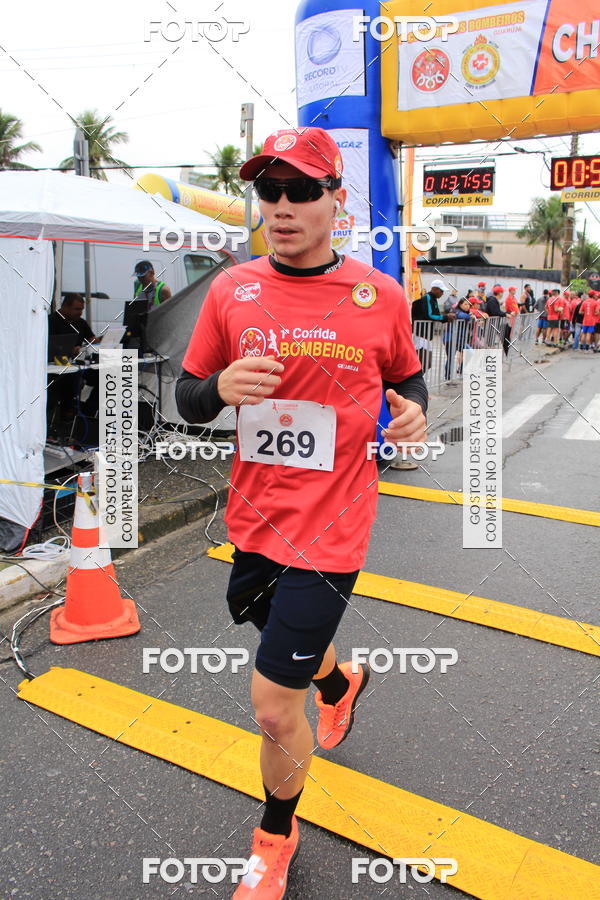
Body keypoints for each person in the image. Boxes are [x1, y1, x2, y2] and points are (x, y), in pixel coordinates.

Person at [175, 126, 428, 899]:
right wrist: (219, 391)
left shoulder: (377, 295)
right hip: (256, 520)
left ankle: (274, 838)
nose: (282, 207)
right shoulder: (232, 290)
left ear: (334, 201)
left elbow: (410, 383)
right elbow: (187, 401)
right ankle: (340, 685)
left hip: (335, 527)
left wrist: (413, 415)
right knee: (275, 637)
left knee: (268, 704)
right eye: (269, 191)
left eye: (301, 190)